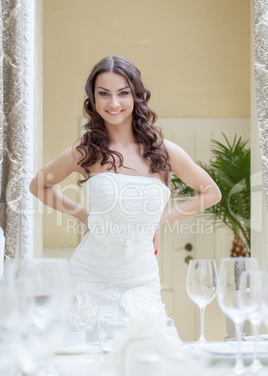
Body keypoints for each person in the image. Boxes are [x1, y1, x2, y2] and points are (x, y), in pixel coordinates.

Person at [30, 55, 221, 341]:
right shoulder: (86, 151)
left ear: (136, 96)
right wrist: (84, 215)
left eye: (123, 93)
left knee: (149, 367)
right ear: (93, 100)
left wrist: (163, 220)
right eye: (103, 94)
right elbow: (39, 185)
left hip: (141, 280)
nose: (114, 103)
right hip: (90, 278)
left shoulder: (163, 151)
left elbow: (211, 192)